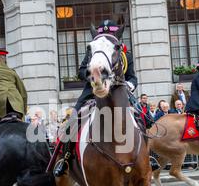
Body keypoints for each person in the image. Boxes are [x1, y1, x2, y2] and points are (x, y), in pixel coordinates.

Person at [54, 19, 153, 177]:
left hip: (121, 92)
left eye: (111, 34)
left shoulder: (126, 55)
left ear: (116, 36)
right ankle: (65, 160)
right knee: (72, 123)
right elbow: (81, 72)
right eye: (103, 33)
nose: (106, 36)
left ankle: (148, 156)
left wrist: (128, 85)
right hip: (92, 91)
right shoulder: (93, 52)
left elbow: (133, 77)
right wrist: (95, 78)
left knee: (143, 118)